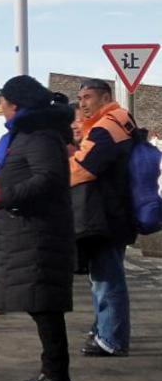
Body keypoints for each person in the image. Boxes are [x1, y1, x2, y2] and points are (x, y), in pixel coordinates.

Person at [0, 75, 76, 381]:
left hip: (42, 230)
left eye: (2, 102)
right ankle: (50, 371)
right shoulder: (26, 135)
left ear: (16, 104)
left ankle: (59, 377)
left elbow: (49, 178)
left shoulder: (39, 136)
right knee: (39, 304)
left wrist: (6, 195)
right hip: (29, 228)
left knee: (44, 305)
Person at [72, 77, 137, 357]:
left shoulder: (106, 127)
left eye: (87, 97)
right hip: (116, 211)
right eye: (81, 98)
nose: (83, 104)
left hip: (106, 214)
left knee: (106, 278)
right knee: (106, 276)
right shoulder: (121, 121)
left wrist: (54, 172)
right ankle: (104, 331)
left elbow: (84, 168)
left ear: (105, 96)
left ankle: (111, 338)